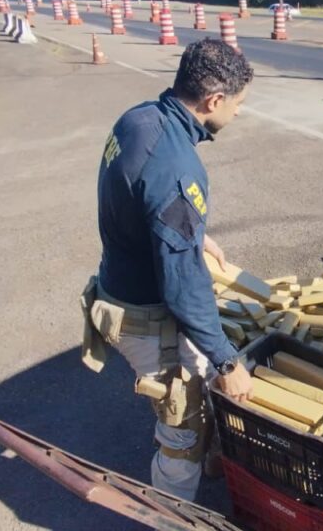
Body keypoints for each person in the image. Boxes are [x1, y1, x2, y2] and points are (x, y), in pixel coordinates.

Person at [79, 39, 254, 501]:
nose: (238, 113)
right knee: (181, 423)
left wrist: (194, 235)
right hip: (145, 314)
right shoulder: (178, 169)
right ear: (215, 100)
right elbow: (183, 287)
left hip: (120, 280)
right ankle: (170, 512)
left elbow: (142, 201)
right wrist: (228, 360)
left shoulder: (139, 118)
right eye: (238, 104)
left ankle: (215, 461)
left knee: (199, 381)